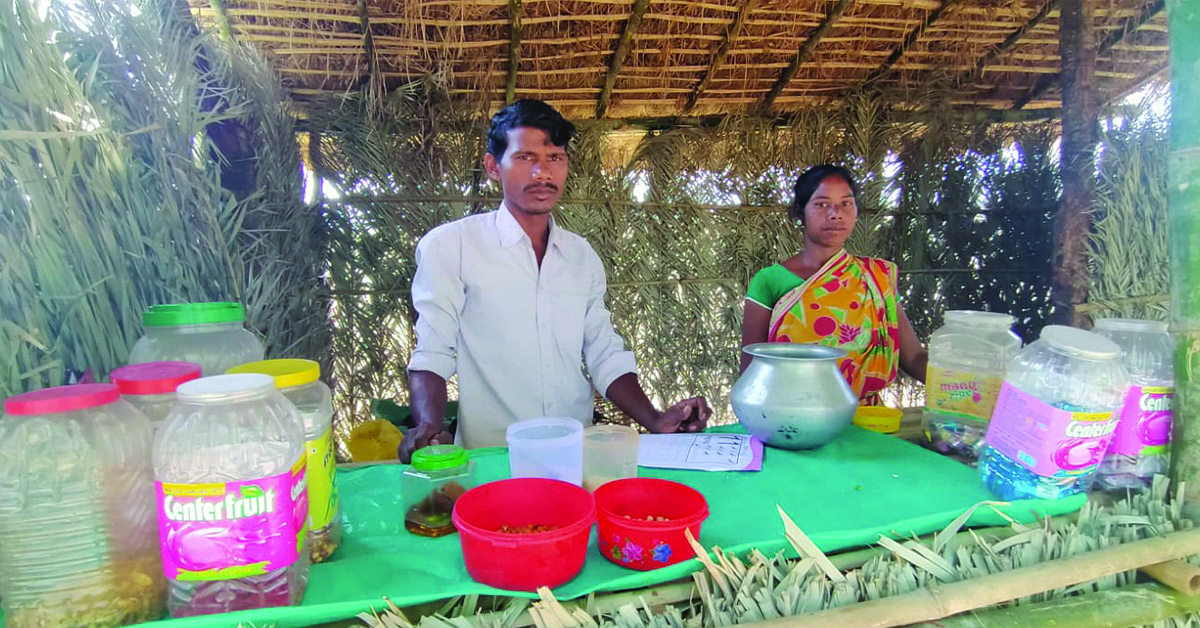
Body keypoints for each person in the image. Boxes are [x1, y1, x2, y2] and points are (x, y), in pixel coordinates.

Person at [401, 99, 712, 461]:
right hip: (493, 460)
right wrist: (428, 425)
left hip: (575, 456)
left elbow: (603, 352)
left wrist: (656, 420)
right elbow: (434, 348)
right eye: (524, 158)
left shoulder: (581, 256)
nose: (542, 173)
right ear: (493, 167)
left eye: (555, 158)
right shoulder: (451, 246)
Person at [740, 165, 928, 404]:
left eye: (846, 204)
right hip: (792, 422)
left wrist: (964, 388)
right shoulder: (770, 282)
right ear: (800, 213)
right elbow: (751, 374)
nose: (836, 214)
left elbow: (914, 358)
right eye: (821, 204)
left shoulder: (876, 279)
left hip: (866, 425)